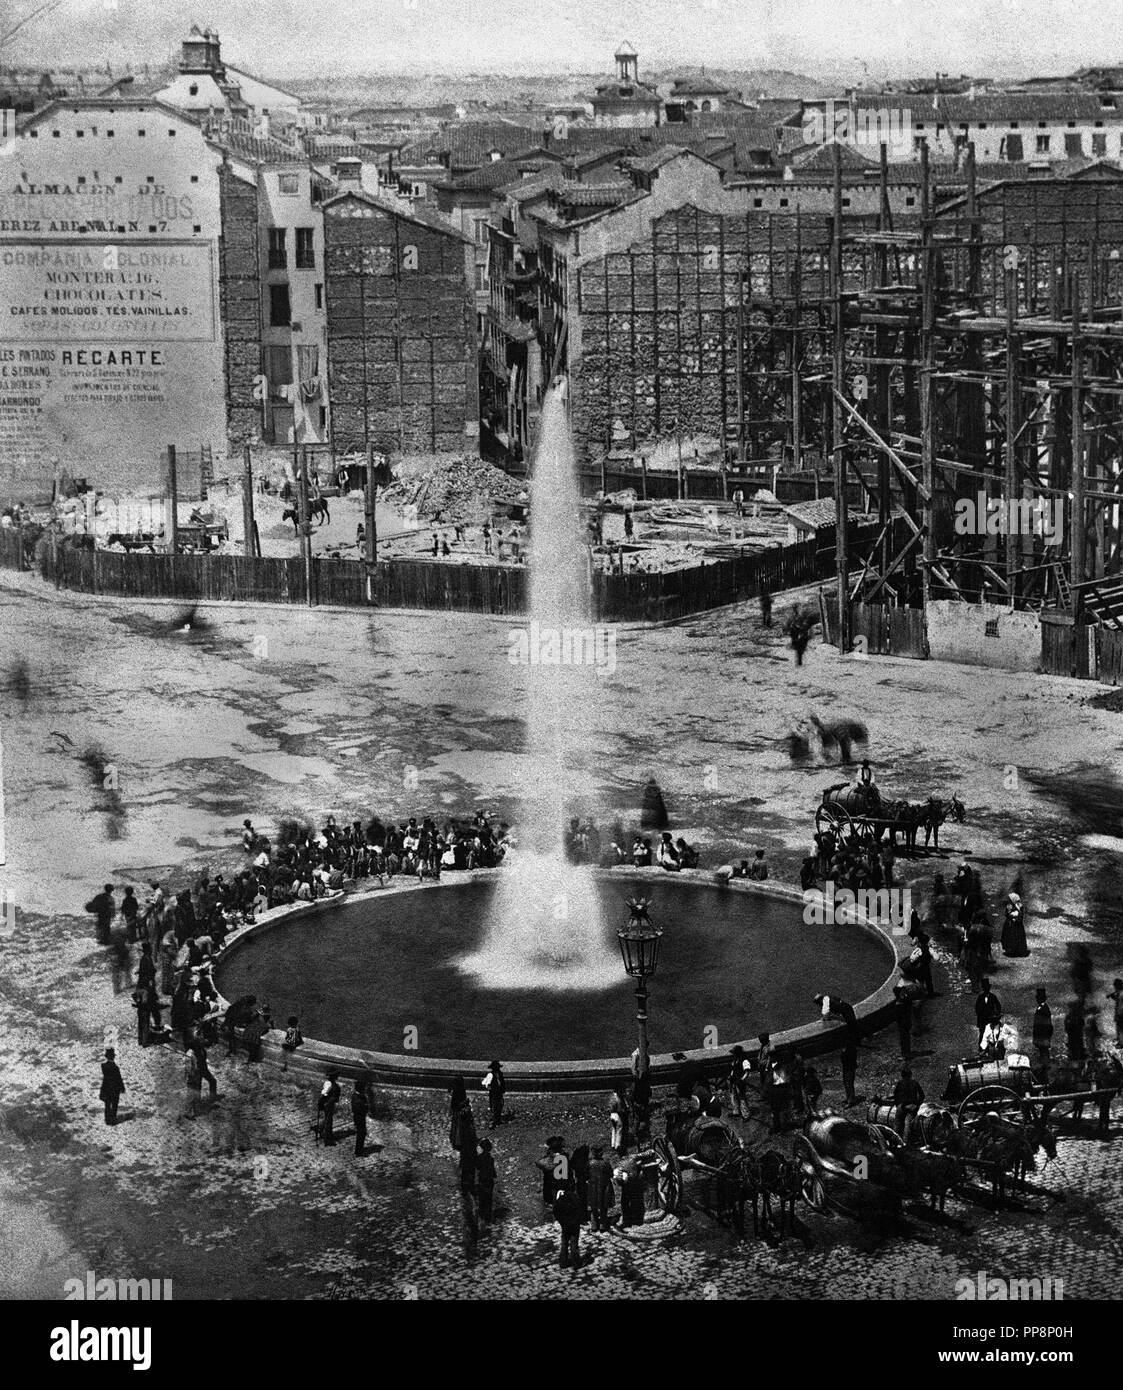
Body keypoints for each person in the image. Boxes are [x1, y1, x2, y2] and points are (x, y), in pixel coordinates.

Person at [553, 1185, 583, 1270]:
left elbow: (556, 1211)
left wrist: (561, 1222)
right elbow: (580, 1211)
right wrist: (577, 1221)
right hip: (574, 1225)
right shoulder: (575, 1198)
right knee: (574, 1244)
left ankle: (563, 1262)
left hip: (565, 1225)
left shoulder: (560, 1200)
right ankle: (576, 1262)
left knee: (564, 1243)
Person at [588, 1145, 614, 1232]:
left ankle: (594, 1225)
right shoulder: (606, 1163)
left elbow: (586, 1175)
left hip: (593, 1187)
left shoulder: (589, 1164)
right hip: (604, 1186)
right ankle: (603, 1224)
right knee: (604, 1206)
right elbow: (611, 1174)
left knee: (593, 1206)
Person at [537, 1137, 569, 1207]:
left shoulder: (553, 1159)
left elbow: (540, 1163)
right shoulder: (564, 1156)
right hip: (562, 1185)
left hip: (553, 1186)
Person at [99, 1047, 125, 1125]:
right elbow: (119, 1078)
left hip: (107, 1088)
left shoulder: (104, 1066)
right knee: (114, 1105)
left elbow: (107, 1078)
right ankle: (113, 1120)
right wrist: (122, 1087)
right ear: (113, 1057)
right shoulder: (115, 1067)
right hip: (115, 1089)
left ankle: (108, 1120)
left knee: (107, 1105)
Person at [974, 978, 1002, 1047]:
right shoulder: (980, 997)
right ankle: (981, 1050)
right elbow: (977, 1008)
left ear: (989, 988)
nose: (986, 989)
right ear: (983, 988)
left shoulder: (993, 997)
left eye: (987, 987)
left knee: (991, 1034)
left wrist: (996, 1015)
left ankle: (990, 1050)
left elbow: (998, 1006)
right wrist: (980, 1015)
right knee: (982, 1035)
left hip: (990, 1019)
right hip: (982, 1020)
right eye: (985, 987)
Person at [1001, 892, 1029, 958]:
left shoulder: (1020, 906)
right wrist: (1010, 915)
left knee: (1017, 936)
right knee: (1009, 936)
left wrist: (1016, 919)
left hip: (1017, 924)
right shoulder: (1009, 906)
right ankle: (1010, 950)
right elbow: (1006, 914)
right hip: (1009, 924)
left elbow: (1021, 915)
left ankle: (1018, 950)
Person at [318, 1071, 341, 1146]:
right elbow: (324, 1095)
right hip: (328, 1104)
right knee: (329, 1121)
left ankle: (319, 1129)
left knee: (327, 1118)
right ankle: (327, 1139)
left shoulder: (330, 1083)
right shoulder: (330, 1084)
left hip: (330, 1103)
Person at [476, 1139, 497, 1223]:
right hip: (489, 1179)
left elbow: (477, 1167)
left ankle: (481, 1214)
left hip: (482, 1179)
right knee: (489, 1197)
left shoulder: (479, 1157)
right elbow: (492, 1170)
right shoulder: (490, 1159)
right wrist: (494, 1175)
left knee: (482, 1197)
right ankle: (488, 1216)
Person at [1032, 987, 1054, 1062]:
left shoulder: (1043, 1008)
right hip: (1042, 1035)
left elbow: (1044, 1024)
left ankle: (1045, 1064)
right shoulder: (1042, 1008)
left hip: (1042, 1035)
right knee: (1043, 1051)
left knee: (1043, 1051)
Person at [482, 1060, 505, 1129]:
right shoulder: (490, 1075)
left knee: (500, 1105)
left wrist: (503, 1089)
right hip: (494, 1092)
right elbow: (484, 1083)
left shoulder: (500, 1074)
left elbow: (502, 1082)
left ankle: (498, 1119)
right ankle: (494, 1120)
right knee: (494, 1105)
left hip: (499, 1092)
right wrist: (489, 1087)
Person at [351, 1076, 370, 1157]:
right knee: (361, 1134)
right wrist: (365, 1108)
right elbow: (362, 1109)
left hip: (358, 1117)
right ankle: (358, 1151)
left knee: (361, 1133)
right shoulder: (359, 1099)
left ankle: (359, 1149)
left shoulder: (355, 1096)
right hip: (360, 1118)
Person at [609, 1090, 630, 1155]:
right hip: (617, 1115)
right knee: (619, 1130)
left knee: (613, 1130)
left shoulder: (611, 1097)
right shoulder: (618, 1098)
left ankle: (613, 1144)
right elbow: (620, 1109)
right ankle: (618, 1145)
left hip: (612, 1114)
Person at [841, 1038, 858, 1106]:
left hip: (849, 1068)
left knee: (849, 1084)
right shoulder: (851, 1049)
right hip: (848, 1068)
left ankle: (851, 1100)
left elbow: (843, 1060)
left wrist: (843, 1053)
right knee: (847, 1084)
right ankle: (849, 1098)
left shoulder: (849, 1050)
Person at [1109, 979, 1123, 1047]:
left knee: (1120, 1028)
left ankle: (1121, 1043)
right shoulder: (1120, 993)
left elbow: (1120, 1004)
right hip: (1120, 1013)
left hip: (1120, 1014)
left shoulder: (1120, 993)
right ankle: (1120, 1040)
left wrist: (1119, 1015)